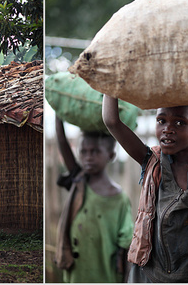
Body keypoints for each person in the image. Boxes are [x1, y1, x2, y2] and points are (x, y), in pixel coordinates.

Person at [102, 95, 188, 283]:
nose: (167, 129)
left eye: (180, 123)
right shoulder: (151, 161)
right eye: (161, 120)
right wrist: (110, 83)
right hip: (150, 276)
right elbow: (112, 121)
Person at [54, 117, 134, 283]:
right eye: (83, 152)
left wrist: (127, 279)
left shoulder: (119, 199)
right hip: (76, 275)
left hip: (107, 276)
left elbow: (126, 247)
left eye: (95, 151)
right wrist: (58, 112)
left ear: (111, 155)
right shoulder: (79, 181)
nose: (88, 157)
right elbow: (61, 141)